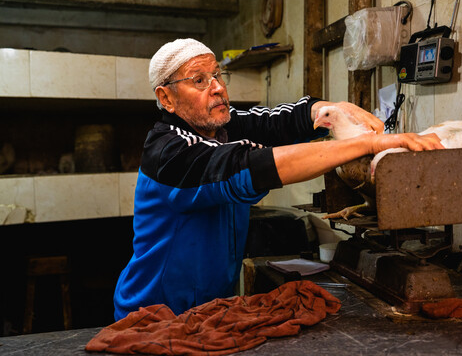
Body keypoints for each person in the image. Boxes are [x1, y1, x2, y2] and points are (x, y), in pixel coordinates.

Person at [113, 38, 443, 320]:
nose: (217, 87)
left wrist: (328, 110)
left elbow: (275, 122)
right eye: (198, 80)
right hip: (155, 315)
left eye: (217, 75)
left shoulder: (221, 125)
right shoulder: (169, 152)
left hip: (212, 309)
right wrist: (367, 144)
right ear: (166, 98)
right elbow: (253, 165)